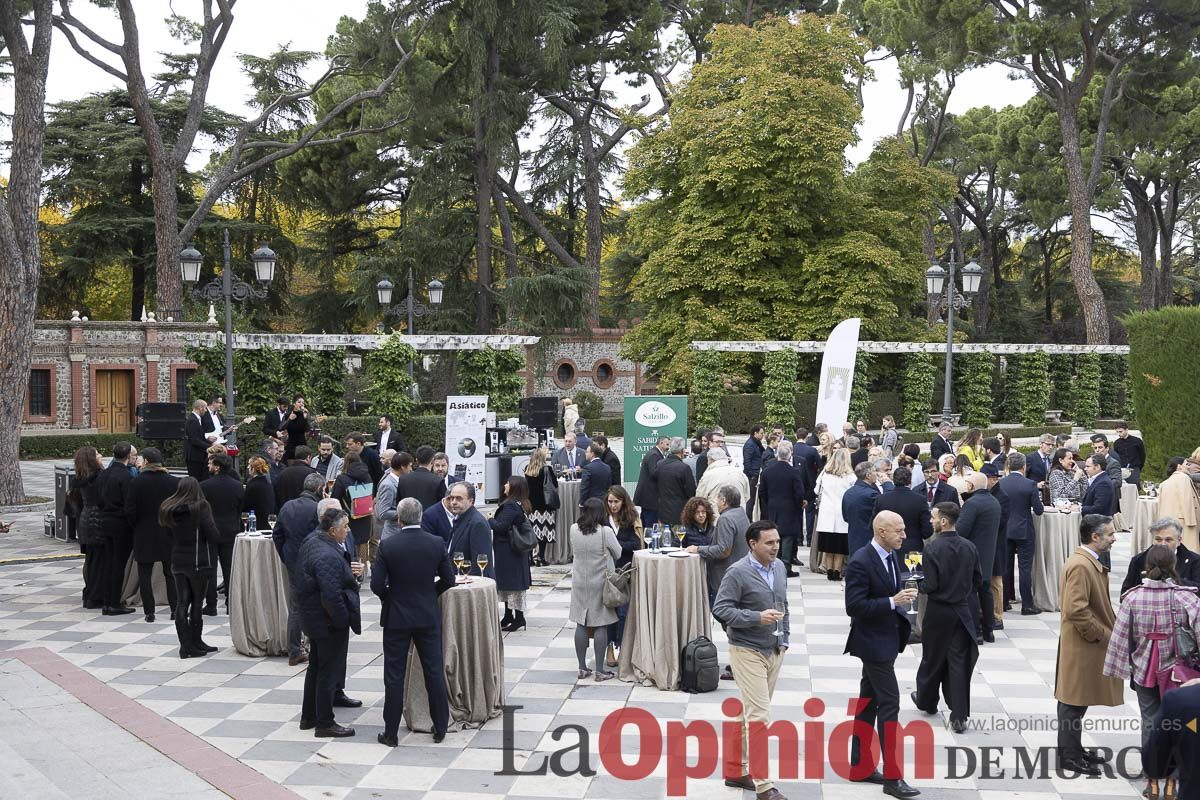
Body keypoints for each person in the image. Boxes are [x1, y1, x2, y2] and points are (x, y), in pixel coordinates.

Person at [1105, 544, 1200, 800]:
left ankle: (1153, 783)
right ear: (1173, 566)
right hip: (1180, 671)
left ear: (1148, 567)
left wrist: (1117, 668)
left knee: (1150, 722)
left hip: (1145, 666)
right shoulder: (1187, 598)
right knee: (1181, 724)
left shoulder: (1133, 597)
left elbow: (1120, 636)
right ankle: (1172, 782)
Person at [843, 510, 920, 798]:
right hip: (872, 643)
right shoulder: (862, 560)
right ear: (881, 532)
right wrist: (892, 601)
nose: (904, 535)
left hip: (885, 640)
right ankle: (893, 777)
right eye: (899, 530)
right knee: (890, 705)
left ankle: (859, 765)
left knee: (868, 704)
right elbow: (854, 606)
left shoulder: (891, 555)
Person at [712, 521, 790, 800]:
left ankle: (735, 770)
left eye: (777, 541)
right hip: (746, 650)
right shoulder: (737, 572)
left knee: (748, 712)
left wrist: (785, 639)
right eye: (769, 543)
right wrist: (755, 618)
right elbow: (720, 609)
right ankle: (763, 785)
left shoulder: (779, 567)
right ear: (752, 544)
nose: (775, 547)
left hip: (774, 649)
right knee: (760, 717)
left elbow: (783, 604)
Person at [372, 497, 455, 747]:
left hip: (397, 617)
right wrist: (430, 594)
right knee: (434, 671)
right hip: (426, 615)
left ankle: (390, 732)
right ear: (419, 517)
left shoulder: (387, 545)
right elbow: (449, 580)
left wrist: (392, 597)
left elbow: (376, 585)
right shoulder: (436, 542)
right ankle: (440, 726)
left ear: (398, 519)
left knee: (394, 675)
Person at [1054, 514, 1123, 775]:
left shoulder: (1086, 562)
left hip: (1084, 645)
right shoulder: (1082, 566)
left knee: (1076, 700)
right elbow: (1076, 610)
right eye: (1110, 534)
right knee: (1072, 701)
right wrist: (1105, 635)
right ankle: (1069, 756)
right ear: (1095, 537)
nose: (1114, 538)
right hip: (1082, 645)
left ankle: (1072, 749)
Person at [911, 503, 982, 733]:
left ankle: (927, 700)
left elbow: (931, 585)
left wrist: (917, 584)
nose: (931, 521)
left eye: (933, 517)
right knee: (959, 662)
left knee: (932, 658)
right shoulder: (970, 547)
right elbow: (977, 580)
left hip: (938, 611)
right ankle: (959, 715)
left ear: (943, 521)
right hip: (961, 611)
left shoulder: (932, 548)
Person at [295, 508, 362, 738]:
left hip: (314, 617)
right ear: (333, 530)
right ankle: (324, 722)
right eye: (345, 527)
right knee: (327, 670)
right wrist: (343, 620)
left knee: (316, 666)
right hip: (326, 622)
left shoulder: (314, 539)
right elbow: (331, 596)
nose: (348, 530)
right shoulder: (327, 554)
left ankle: (309, 716)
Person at [159, 478, 219, 658]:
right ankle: (193, 641)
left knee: (182, 602)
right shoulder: (201, 506)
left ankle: (186, 644)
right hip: (198, 559)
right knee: (197, 602)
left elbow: (167, 534)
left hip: (178, 558)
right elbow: (212, 533)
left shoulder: (168, 508)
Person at [124, 447, 179, 623]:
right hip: (168, 532)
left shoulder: (137, 482)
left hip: (143, 533)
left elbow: (130, 510)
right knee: (170, 574)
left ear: (146, 462)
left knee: (144, 574)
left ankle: (149, 612)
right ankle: (175, 609)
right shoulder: (172, 481)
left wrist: (137, 526)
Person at [569, 498, 622, 681]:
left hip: (579, 583)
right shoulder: (605, 532)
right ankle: (599, 669)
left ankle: (582, 667)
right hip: (599, 583)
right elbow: (618, 552)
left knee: (581, 623)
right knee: (601, 624)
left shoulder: (573, 529)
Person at [957, 465, 1003, 642]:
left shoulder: (972, 503)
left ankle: (975, 631)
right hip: (988, 554)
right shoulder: (993, 501)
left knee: (971, 593)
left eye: (968, 483)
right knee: (986, 591)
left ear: (972, 486)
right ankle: (989, 629)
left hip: (972, 555)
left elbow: (961, 530)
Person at [999, 452, 1043, 616]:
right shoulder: (1030, 484)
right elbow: (1038, 510)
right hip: (1024, 529)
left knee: (1005, 567)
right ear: (1024, 466)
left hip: (1005, 530)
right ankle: (1027, 605)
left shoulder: (1001, 483)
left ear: (1008, 466)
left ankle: (1003, 602)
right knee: (1025, 569)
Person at [198, 453, 243, 614]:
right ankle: (230, 604)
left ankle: (211, 605)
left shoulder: (204, 486)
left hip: (210, 531)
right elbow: (239, 509)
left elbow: (200, 510)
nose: (208, 466)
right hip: (230, 530)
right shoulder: (237, 486)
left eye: (210, 463)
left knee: (209, 569)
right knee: (229, 568)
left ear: (217, 467)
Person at [96, 442, 137, 616]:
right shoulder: (126, 476)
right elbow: (130, 504)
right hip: (120, 523)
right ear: (128, 456)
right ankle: (114, 603)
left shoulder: (104, 474)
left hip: (105, 520)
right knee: (118, 564)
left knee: (108, 562)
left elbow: (98, 498)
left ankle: (107, 602)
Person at [605, 486, 642, 664]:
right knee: (607, 611)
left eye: (616, 502)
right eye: (610, 502)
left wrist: (614, 544)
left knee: (623, 612)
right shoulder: (603, 519)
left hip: (625, 572)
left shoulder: (631, 518)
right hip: (607, 571)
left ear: (623, 501)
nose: (613, 505)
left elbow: (636, 543)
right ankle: (609, 646)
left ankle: (621, 646)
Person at [759, 440, 806, 576]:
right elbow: (799, 493)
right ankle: (785, 567)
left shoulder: (767, 471)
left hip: (773, 508)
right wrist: (798, 505)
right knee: (788, 538)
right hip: (790, 509)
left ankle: (773, 564)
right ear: (790, 456)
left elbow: (762, 492)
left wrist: (768, 505)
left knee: (774, 536)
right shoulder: (794, 472)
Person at [1145, 684, 1200, 799]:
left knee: (1148, 717)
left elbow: (1155, 764)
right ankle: (1170, 785)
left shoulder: (1181, 698)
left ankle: (1153, 784)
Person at [491, 476, 532, 632]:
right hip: (511, 549)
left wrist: (489, 520)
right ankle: (509, 615)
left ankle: (519, 618)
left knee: (513, 583)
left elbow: (501, 526)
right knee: (508, 582)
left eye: (508, 483)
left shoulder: (511, 506)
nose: (505, 485)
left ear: (514, 487)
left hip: (509, 550)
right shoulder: (518, 503)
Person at [1122, 518, 1200, 594]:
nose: (1163, 544)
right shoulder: (1138, 560)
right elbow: (1126, 593)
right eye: (1158, 539)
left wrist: (1173, 580)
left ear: (1179, 540)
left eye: (1168, 540)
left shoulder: (1195, 561)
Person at [71, 446, 106, 609]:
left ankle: (90, 593)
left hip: (85, 519)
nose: (101, 456)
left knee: (91, 560)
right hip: (98, 519)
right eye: (98, 454)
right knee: (99, 560)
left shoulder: (79, 478)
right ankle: (96, 596)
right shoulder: (99, 477)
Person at [873, 466, 932, 562]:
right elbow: (927, 531)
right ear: (910, 481)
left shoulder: (882, 499)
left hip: (888, 547)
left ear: (893, 480)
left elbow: (873, 525)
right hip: (913, 549)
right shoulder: (919, 500)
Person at [815, 448, 856, 581]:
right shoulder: (850, 476)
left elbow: (816, 490)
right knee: (839, 547)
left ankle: (829, 570)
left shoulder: (825, 474)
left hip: (826, 513)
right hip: (841, 513)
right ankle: (837, 571)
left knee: (828, 545)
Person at [331, 451, 374, 564]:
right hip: (366, 515)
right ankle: (363, 570)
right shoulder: (367, 476)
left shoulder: (342, 478)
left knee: (350, 543)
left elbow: (335, 498)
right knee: (364, 543)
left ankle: (353, 570)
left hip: (349, 517)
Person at [445, 482, 496, 579]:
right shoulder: (459, 518)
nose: (453, 502)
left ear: (471, 501)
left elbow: (480, 563)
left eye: (459, 498)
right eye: (452, 498)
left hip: (471, 585)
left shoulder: (477, 523)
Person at [1158, 450, 1200, 552]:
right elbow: (1187, 500)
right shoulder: (1184, 478)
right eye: (1186, 464)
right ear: (1179, 466)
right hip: (1184, 522)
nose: (1189, 466)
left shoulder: (1165, 482)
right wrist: (1192, 522)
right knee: (1189, 551)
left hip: (1168, 521)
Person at [524, 447, 558, 566]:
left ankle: (529, 558)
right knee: (544, 532)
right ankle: (541, 557)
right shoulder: (547, 469)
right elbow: (555, 484)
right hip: (545, 505)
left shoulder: (527, 469)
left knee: (531, 532)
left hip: (531, 506)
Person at [696, 448, 751, 520]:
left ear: (710, 459)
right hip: (739, 517)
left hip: (717, 518)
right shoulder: (740, 473)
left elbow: (700, 498)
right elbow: (747, 496)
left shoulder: (708, 475)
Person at [656, 438, 697, 527]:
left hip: (663, 511)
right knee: (679, 539)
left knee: (665, 539)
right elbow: (691, 491)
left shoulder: (659, 464)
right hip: (679, 513)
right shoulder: (684, 468)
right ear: (682, 451)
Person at [842, 461, 880, 556]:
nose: (877, 474)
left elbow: (845, 517)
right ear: (868, 475)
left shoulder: (848, 493)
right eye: (875, 471)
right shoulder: (872, 494)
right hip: (870, 539)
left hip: (853, 538)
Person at [634, 436, 670, 529]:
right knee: (650, 524)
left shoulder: (654, 453)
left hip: (648, 498)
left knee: (646, 522)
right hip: (650, 498)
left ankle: (644, 542)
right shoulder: (654, 454)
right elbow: (654, 473)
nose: (668, 447)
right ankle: (647, 543)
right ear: (660, 443)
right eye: (667, 444)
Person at [183, 399, 216, 480]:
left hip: (198, 455)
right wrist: (210, 446)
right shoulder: (192, 420)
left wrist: (210, 443)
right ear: (200, 408)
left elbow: (200, 437)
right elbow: (195, 440)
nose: (205, 411)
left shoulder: (196, 419)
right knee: (196, 479)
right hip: (194, 456)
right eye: (205, 408)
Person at [242, 456, 275, 525]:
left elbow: (245, 504)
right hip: (266, 519)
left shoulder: (252, 485)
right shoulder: (267, 483)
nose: (247, 467)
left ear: (253, 468)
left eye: (249, 465)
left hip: (255, 520)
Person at [1113, 422, 1145, 488]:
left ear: (1126, 430)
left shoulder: (1137, 441)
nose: (1119, 434)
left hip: (1134, 468)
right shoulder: (1116, 443)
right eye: (1117, 432)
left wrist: (1138, 467)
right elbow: (1116, 457)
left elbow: (1142, 455)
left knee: (1135, 486)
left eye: (1120, 431)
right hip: (1122, 469)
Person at [743, 424, 766, 514]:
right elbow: (747, 461)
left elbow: (763, 453)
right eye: (761, 433)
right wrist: (752, 475)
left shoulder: (757, 443)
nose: (763, 435)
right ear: (755, 433)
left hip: (756, 474)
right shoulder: (750, 444)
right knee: (751, 500)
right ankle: (748, 519)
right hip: (752, 476)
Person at [281, 395, 311, 461]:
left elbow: (308, 430)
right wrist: (289, 419)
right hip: (291, 445)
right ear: (294, 404)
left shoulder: (304, 415)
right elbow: (281, 428)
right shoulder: (288, 414)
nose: (301, 404)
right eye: (299, 402)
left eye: (303, 403)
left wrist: (305, 417)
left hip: (302, 444)